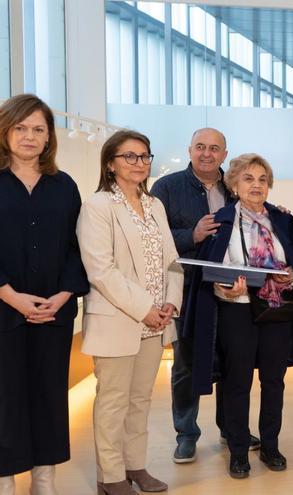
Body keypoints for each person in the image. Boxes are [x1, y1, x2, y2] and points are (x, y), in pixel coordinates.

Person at [184, 153, 293, 479]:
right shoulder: (221, 221)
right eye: (248, 178)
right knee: (237, 383)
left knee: (274, 382)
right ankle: (239, 450)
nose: (256, 185)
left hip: (277, 312)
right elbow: (211, 272)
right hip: (237, 310)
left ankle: (271, 446)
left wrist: (292, 276)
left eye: (262, 179)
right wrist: (224, 289)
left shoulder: (282, 220)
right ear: (234, 184)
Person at [77, 130, 184, 495]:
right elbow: (101, 270)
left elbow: (173, 260)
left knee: (140, 401)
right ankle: (110, 477)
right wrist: (145, 309)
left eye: (144, 156)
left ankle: (135, 466)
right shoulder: (97, 207)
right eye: (130, 156)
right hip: (120, 319)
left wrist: (171, 303)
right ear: (110, 164)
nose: (139, 163)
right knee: (113, 402)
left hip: (156, 322)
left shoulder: (155, 205)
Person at [0, 94, 89, 495]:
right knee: (5, 397)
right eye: (21, 128)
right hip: (3, 310)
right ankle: (5, 478)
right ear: (5, 130)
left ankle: (44, 477)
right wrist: (10, 295)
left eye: (39, 129)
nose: (30, 136)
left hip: (55, 312)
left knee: (50, 395)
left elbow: (76, 247)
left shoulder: (63, 185)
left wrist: (66, 293)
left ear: (50, 136)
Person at [150, 128, 256, 464]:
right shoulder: (165, 188)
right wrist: (191, 234)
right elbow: (154, 238)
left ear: (225, 154)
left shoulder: (236, 187)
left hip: (232, 290)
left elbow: (256, 224)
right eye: (200, 147)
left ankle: (231, 428)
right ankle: (186, 434)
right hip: (187, 291)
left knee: (233, 363)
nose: (207, 154)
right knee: (185, 365)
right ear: (189, 150)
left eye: (214, 148)